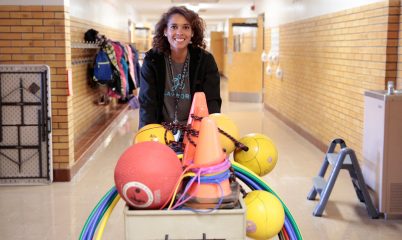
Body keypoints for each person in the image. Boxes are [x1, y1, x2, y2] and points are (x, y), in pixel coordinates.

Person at [138, 6, 221, 129]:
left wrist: (211, 131)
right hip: (161, 130)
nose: (179, 32)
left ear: (192, 32)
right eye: (174, 27)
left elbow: (212, 101)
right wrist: (148, 133)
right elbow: (147, 103)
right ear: (165, 31)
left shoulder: (205, 60)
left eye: (186, 27)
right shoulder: (152, 60)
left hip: (195, 130)